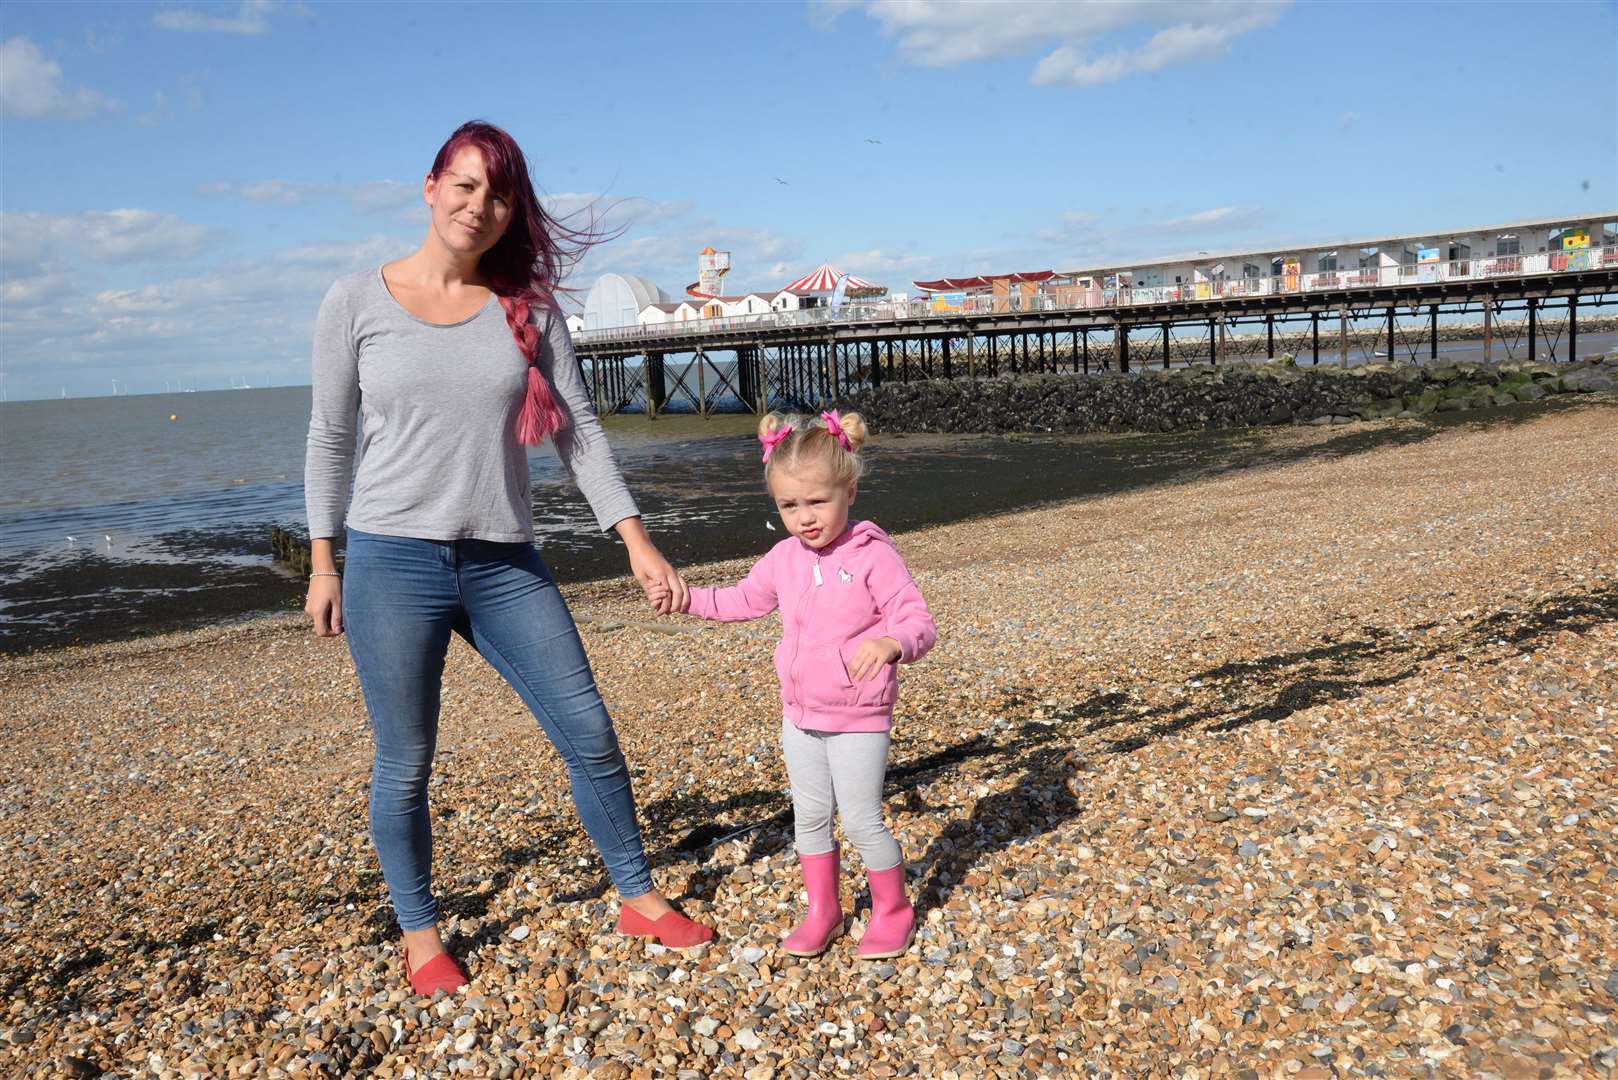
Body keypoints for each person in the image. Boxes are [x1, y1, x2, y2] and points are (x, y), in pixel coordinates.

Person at [302, 120, 712, 997]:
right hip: (391, 561)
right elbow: (331, 438)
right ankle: (421, 935)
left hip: (503, 562)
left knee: (590, 732)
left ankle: (636, 895)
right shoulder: (354, 302)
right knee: (405, 760)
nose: (478, 207)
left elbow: (579, 433)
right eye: (464, 186)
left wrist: (634, 539)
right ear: (430, 187)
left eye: (497, 195)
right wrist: (324, 562)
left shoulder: (527, 309)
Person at [649, 411, 935, 959]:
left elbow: (917, 619)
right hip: (800, 716)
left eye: (817, 502)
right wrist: (687, 597)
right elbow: (742, 600)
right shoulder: (784, 558)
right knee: (809, 817)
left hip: (858, 717)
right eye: (789, 506)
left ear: (848, 490)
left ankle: (893, 908)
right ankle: (823, 909)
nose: (804, 518)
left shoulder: (873, 555)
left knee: (862, 821)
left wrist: (891, 644)